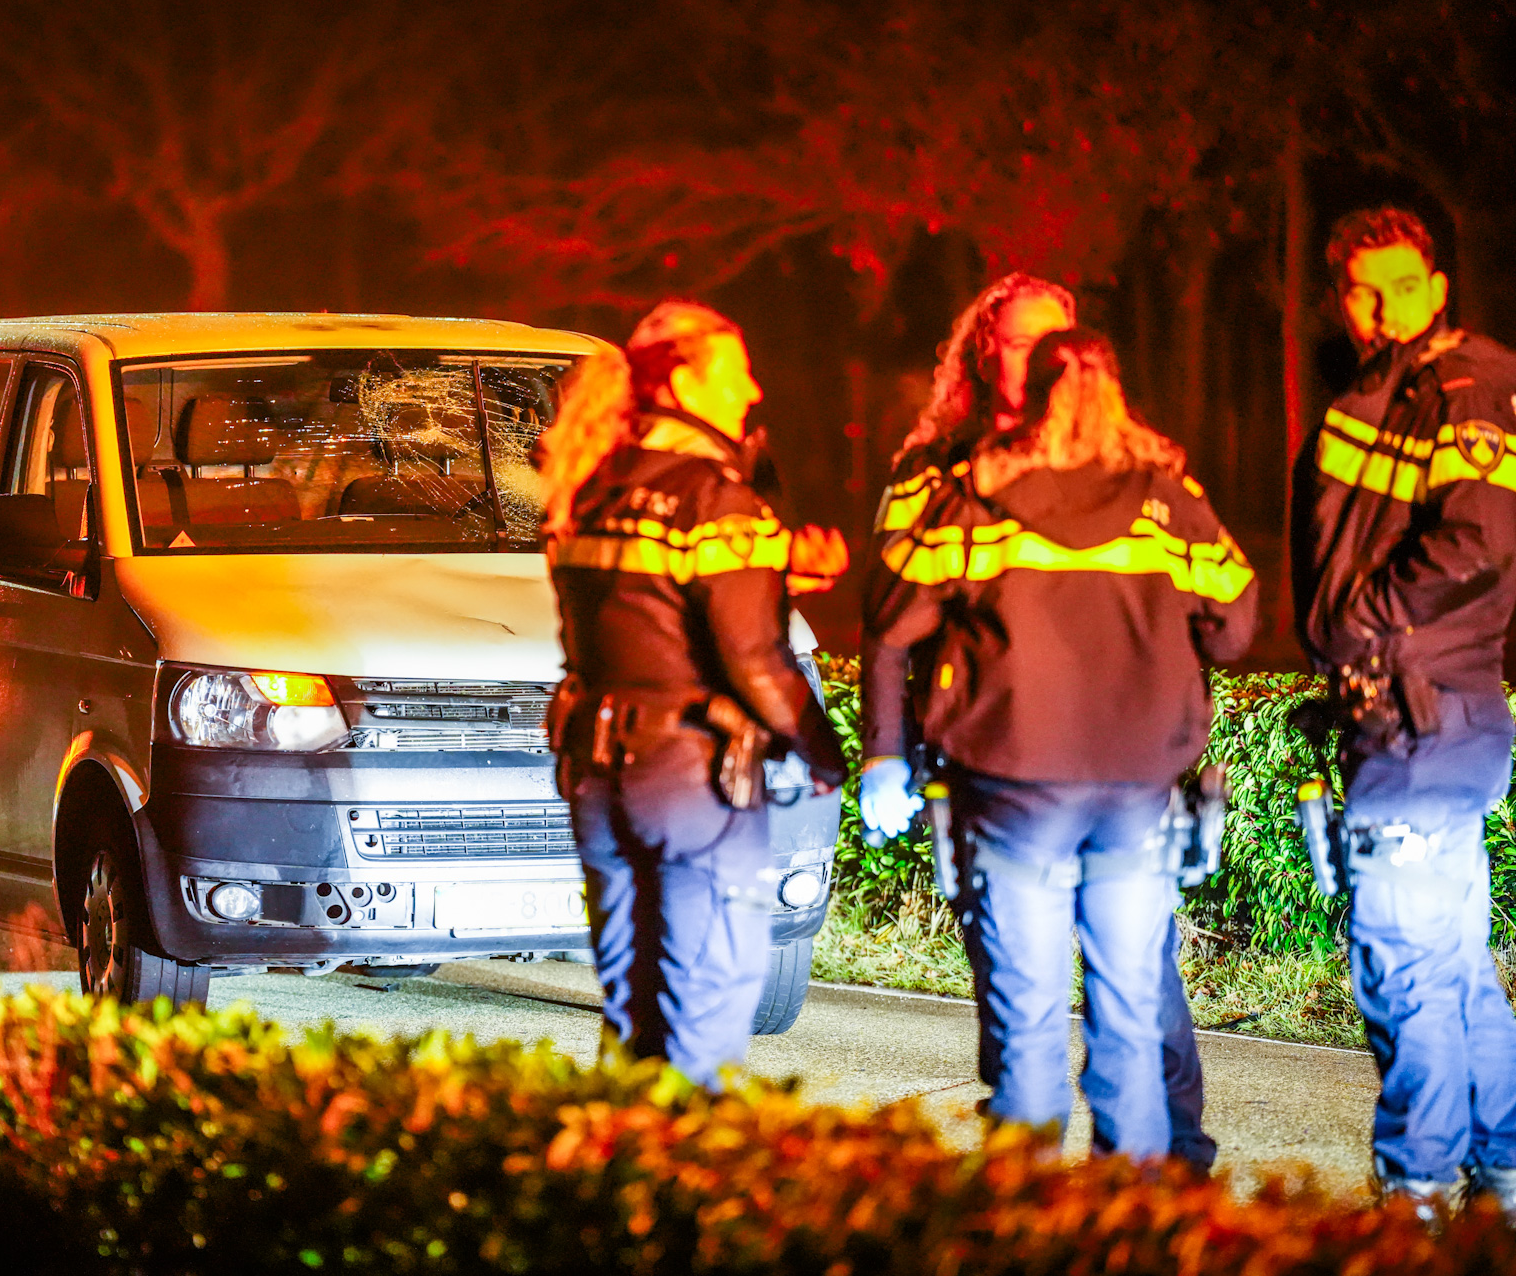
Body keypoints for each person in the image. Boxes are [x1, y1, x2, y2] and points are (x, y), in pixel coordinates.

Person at [861, 322, 1257, 1160]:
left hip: (1017, 789)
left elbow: (895, 618)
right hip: (1135, 794)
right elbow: (1235, 625)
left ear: (1028, 397)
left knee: (1028, 1014)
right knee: (1129, 1019)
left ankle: (1030, 1218)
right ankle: (1137, 1224)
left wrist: (887, 751)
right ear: (1114, 391)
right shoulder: (1165, 499)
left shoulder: (981, 496)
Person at [542, 300, 848, 1086]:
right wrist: (823, 752)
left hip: (598, 769)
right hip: (692, 779)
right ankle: (685, 1188)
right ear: (683, 381)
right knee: (704, 1005)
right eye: (735, 371)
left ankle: (626, 1178)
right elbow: (752, 657)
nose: (750, 392)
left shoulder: (591, 485)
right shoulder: (716, 500)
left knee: (633, 1007)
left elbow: (640, 617)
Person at [1291, 205, 1516, 1218]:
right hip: (1429, 722)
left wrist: (1355, 627)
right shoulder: (1384, 392)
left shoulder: (1464, 383)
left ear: (1440, 285)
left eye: (1404, 288)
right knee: (1456, 970)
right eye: (1363, 291)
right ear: (1340, 297)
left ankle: (1416, 1195)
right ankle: (1501, 1172)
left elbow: (1477, 540)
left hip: (1420, 721)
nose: (1382, 310)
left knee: (1403, 975)